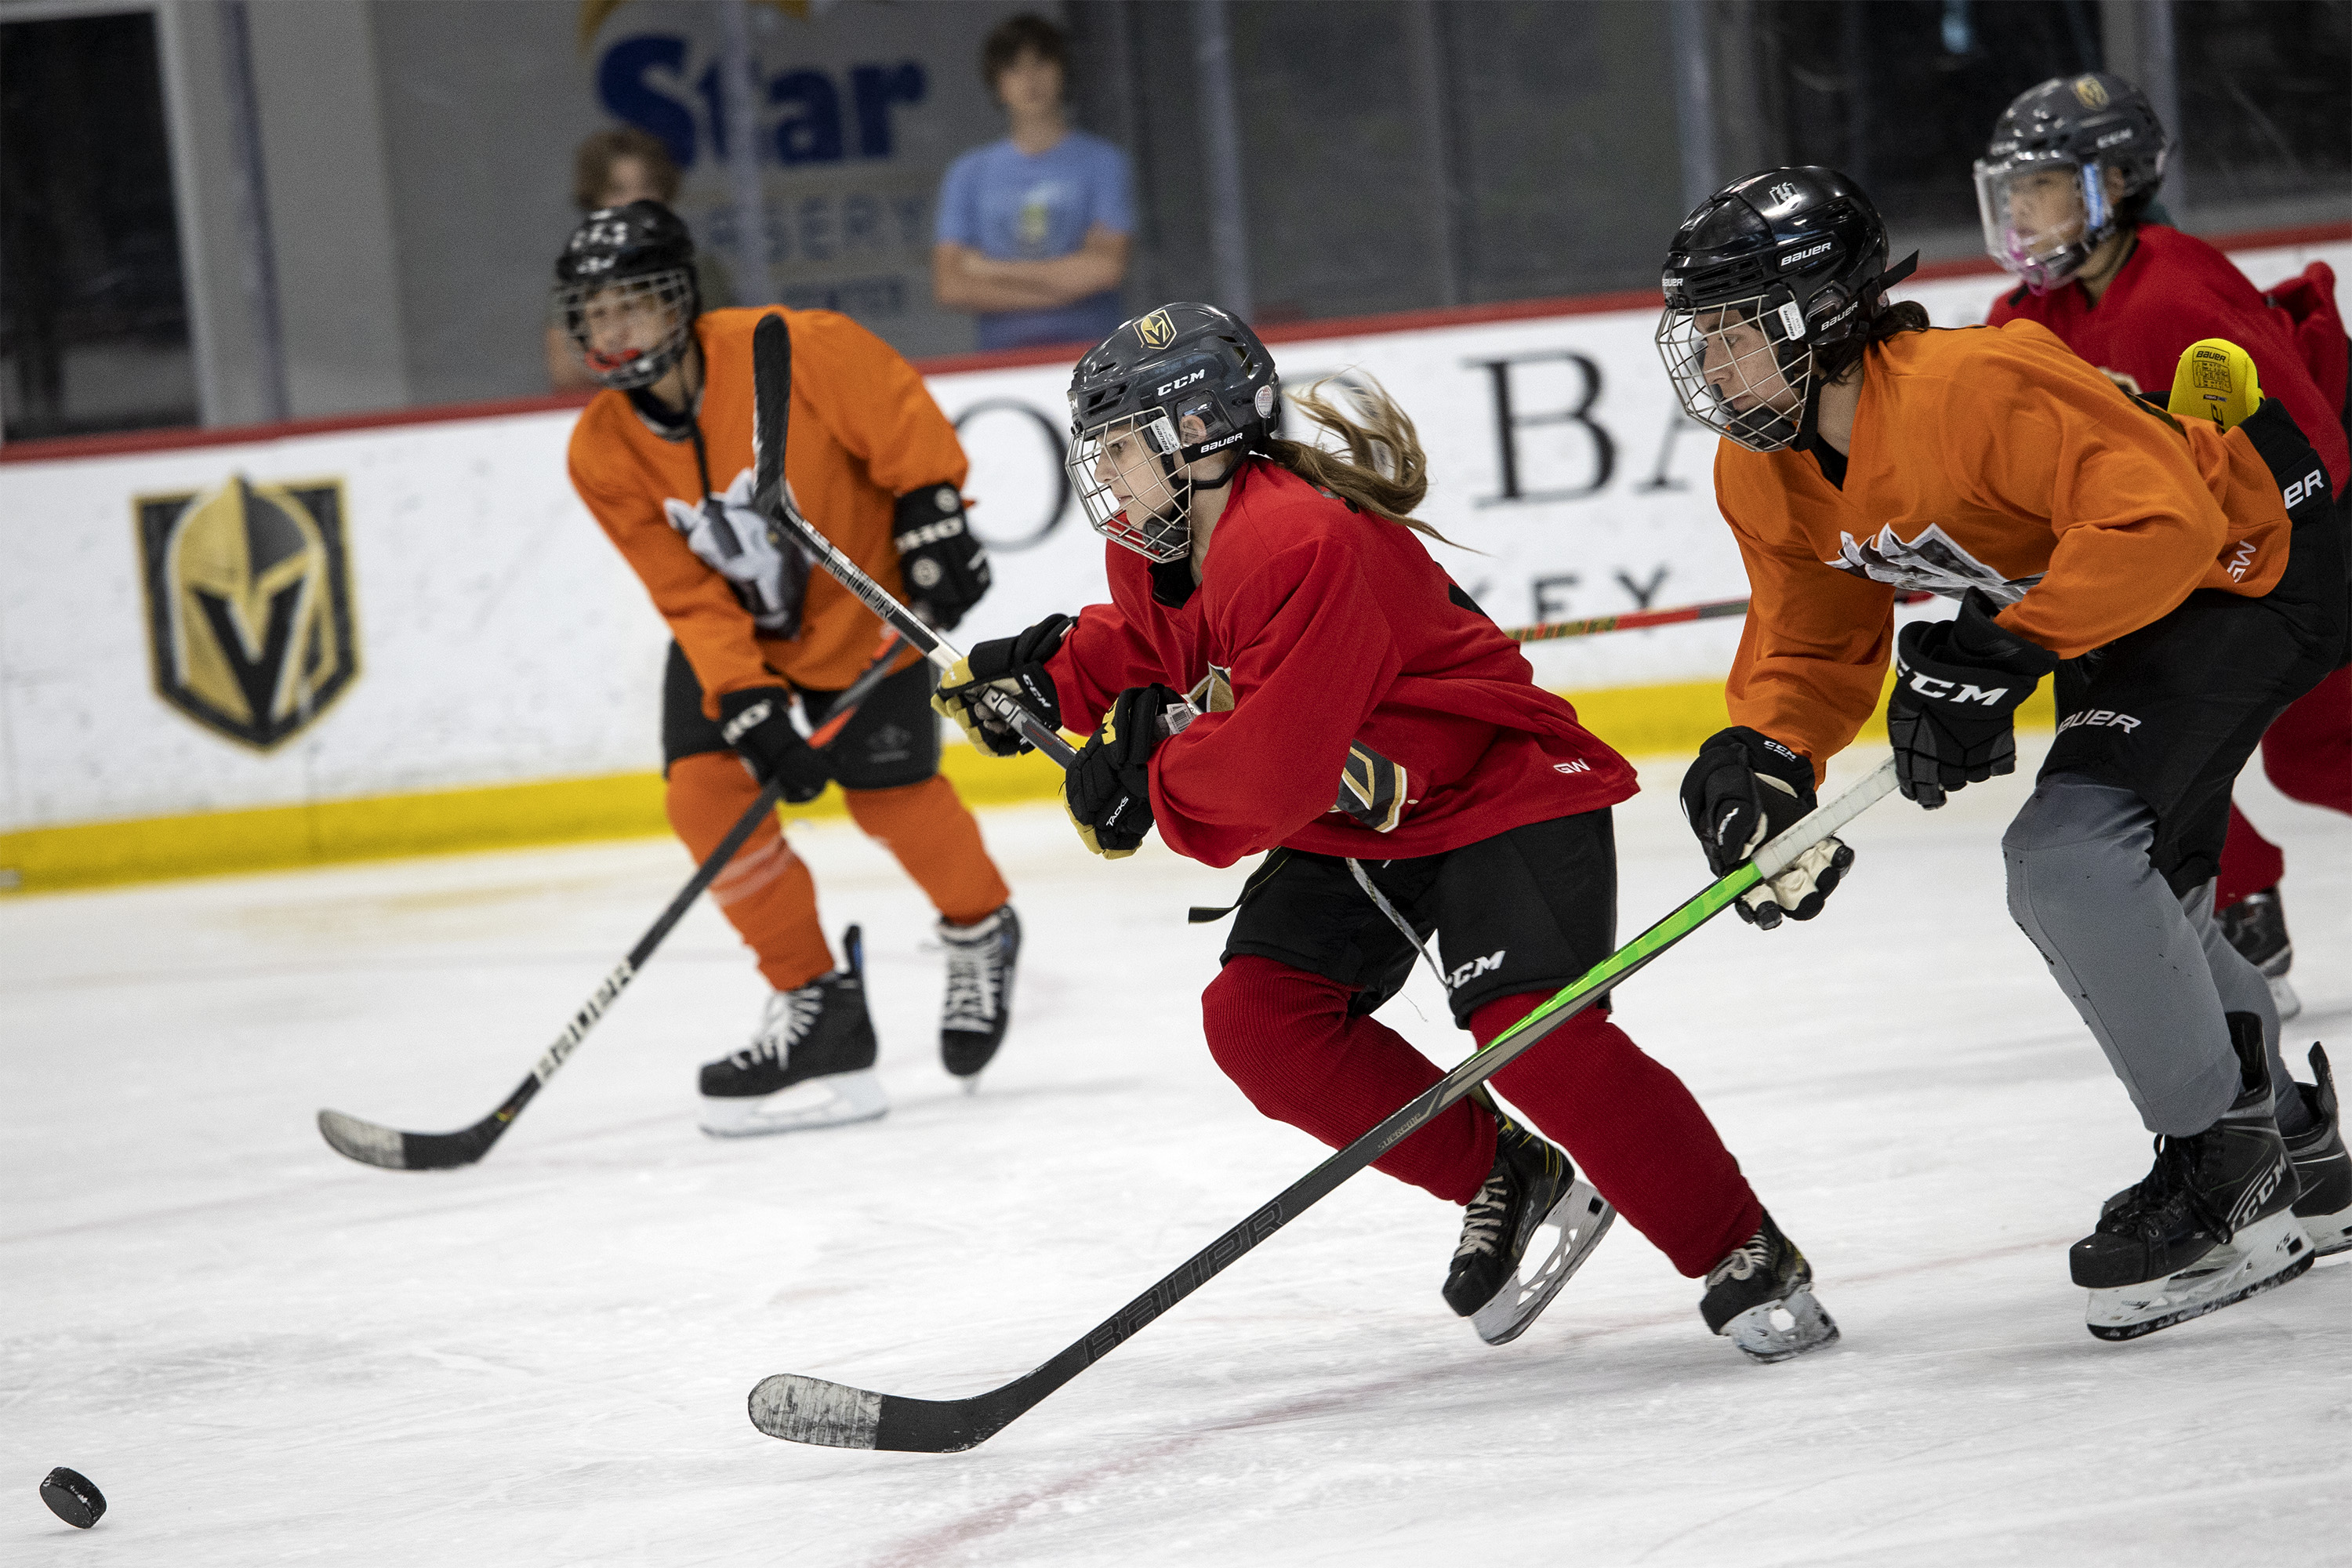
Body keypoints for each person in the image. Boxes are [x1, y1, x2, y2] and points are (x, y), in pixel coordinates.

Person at [935, 302, 1838, 1362]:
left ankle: (1744, 1250)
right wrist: (1048, 678)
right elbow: (1160, 650)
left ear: (1198, 438)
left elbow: (1270, 773)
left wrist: (1152, 784)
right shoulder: (1161, 548)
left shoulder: (1290, 539)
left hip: (1495, 790)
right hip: (1367, 815)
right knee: (1260, 1020)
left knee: (1531, 1037)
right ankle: (1508, 1175)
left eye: (1123, 446)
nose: (1108, 473)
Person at [1654, 165, 2351, 1339]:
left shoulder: (1972, 385)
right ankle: (2295, 1146)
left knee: (2071, 860)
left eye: (1732, 334)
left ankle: (2226, 1178)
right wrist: (1766, 753)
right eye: (1700, 337)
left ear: (1822, 318)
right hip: (2126, 599)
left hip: (2249, 562)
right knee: (2150, 897)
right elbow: (1813, 641)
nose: (1709, 365)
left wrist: (2007, 645)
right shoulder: (1763, 466)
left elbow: (2164, 520)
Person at [554, 199, 1018, 1135]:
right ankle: (818, 1006)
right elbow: (685, 593)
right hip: (739, 636)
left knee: (891, 798)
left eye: (631, 304)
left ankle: (980, 925)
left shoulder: (788, 346)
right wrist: (750, 700)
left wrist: (933, 507)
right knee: (703, 795)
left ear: (680, 299)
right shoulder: (600, 451)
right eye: (594, 312)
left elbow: (901, 422)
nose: (612, 328)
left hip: (859, 610)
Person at [1975, 71, 2352, 1022]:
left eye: (2043, 185)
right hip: (2194, 573)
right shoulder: (2023, 324)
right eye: (2012, 189)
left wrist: (2221, 567)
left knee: (2314, 754)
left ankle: (2238, 895)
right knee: (2118, 726)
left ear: (2114, 183)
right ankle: (2238, 894)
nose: (2021, 210)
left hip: (2309, 549)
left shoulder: (2175, 292)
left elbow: (2315, 452)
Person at [931, 14, 1134, 351]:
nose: (1030, 79)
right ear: (997, 83)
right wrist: (1068, 283)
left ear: (1062, 71)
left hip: (1099, 358)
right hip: (1003, 364)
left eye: (1041, 63)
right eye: (1014, 68)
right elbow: (950, 286)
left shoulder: (1103, 162)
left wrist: (987, 268)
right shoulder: (967, 173)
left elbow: (1106, 270)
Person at [546, 129, 733, 394]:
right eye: (617, 190)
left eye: (647, 187)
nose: (634, 201)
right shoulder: (578, 274)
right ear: (594, 200)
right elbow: (567, 375)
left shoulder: (699, 267)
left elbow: (724, 355)